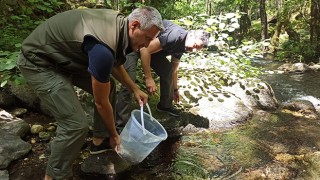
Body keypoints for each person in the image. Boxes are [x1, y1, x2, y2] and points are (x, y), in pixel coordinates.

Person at [16, 6, 164, 180]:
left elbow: (114, 62)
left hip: (66, 57)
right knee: (75, 125)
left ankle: (99, 141)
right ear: (135, 25)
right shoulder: (103, 49)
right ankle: (54, 176)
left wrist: (134, 88)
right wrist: (115, 134)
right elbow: (101, 102)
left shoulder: (119, 26)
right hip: (39, 62)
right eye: (147, 38)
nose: (147, 45)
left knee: (110, 87)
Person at [116, 20, 209, 124]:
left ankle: (165, 106)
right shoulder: (175, 36)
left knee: (167, 70)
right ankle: (120, 123)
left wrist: (175, 89)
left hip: (152, 50)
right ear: (191, 36)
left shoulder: (184, 46)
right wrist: (148, 78)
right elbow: (144, 50)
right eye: (195, 46)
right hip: (136, 45)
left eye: (198, 49)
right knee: (129, 81)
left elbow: (174, 69)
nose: (194, 51)